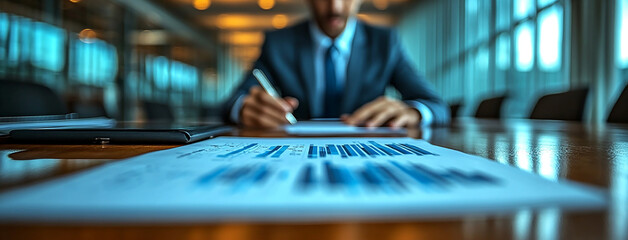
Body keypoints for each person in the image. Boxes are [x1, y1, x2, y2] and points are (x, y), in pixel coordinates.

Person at [222, 0, 449, 128]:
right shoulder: (278, 43)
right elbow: (233, 101)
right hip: (297, 156)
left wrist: (414, 112)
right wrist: (244, 108)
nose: (336, 7)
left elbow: (436, 104)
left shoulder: (385, 42)